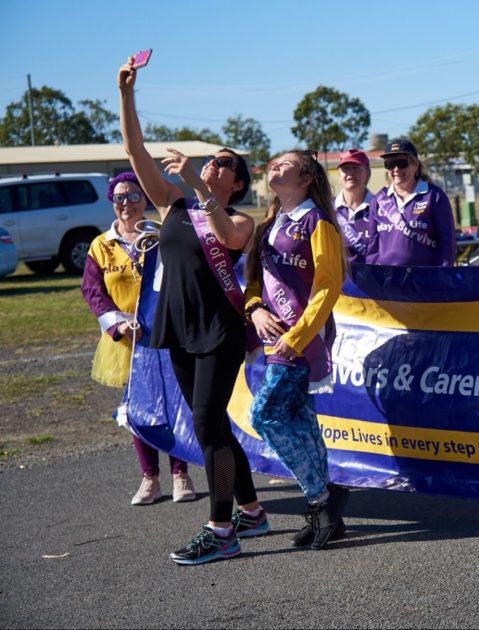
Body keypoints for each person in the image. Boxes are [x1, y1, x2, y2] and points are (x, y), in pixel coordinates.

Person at [118, 57, 266, 565]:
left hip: (220, 333)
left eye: (226, 164)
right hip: (178, 330)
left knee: (205, 424)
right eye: (213, 160)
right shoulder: (174, 206)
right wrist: (126, 95)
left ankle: (222, 530)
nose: (215, 164)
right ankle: (250, 508)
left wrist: (202, 189)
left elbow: (226, 238)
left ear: (238, 183)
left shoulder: (243, 219)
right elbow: (135, 153)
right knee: (214, 427)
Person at [242, 151, 347, 550]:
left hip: (301, 341)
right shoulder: (270, 223)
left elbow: (328, 285)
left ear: (305, 178)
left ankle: (321, 499)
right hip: (273, 337)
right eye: (273, 164)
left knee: (265, 414)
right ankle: (327, 510)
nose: (274, 167)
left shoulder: (316, 223)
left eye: (284, 165)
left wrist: (298, 335)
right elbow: (253, 278)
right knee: (301, 420)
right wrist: (253, 309)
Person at [81, 172, 196, 506]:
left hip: (165, 333)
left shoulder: (160, 235)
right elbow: (92, 291)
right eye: (119, 198)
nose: (126, 204)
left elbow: (178, 276)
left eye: (133, 196)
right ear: (111, 203)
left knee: (174, 405)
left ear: (145, 199)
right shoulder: (100, 245)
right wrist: (118, 323)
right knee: (138, 410)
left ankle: (180, 473)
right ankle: (150, 478)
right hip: (126, 341)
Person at [365, 138, 456, 266]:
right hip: (388, 281)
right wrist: (373, 279)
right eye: (390, 164)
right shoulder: (378, 201)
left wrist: (440, 276)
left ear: (415, 165)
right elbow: (373, 249)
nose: (396, 169)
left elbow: (447, 243)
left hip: (424, 281)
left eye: (402, 163)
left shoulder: (434, 196)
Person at [334, 148, 375, 265]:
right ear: (339, 175)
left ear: (368, 174)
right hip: (337, 280)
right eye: (345, 169)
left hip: (371, 280)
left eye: (356, 168)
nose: (350, 173)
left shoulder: (381, 207)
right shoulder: (327, 209)